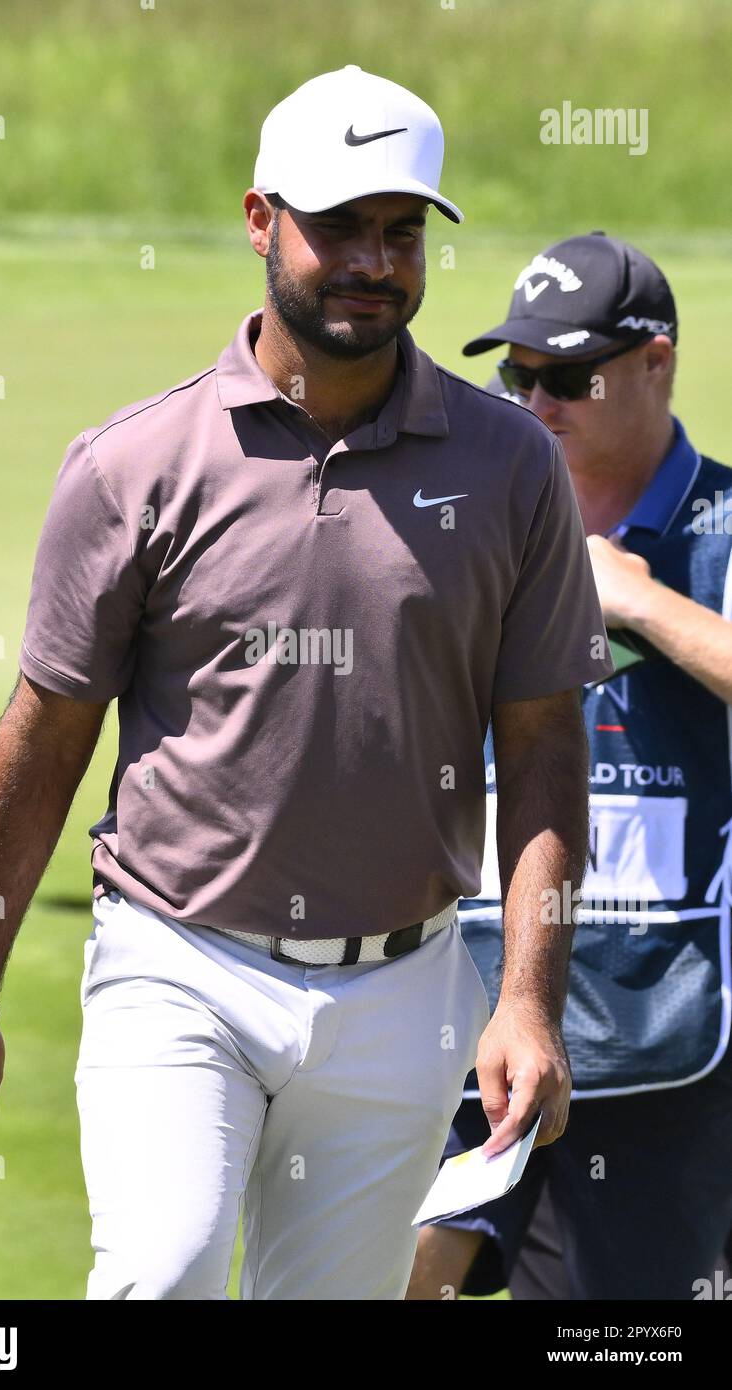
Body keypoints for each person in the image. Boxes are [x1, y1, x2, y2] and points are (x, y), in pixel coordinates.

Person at [0, 68, 614, 1301]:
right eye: (336, 227)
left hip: (405, 986)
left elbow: (547, 740)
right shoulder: (135, 465)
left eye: (399, 233)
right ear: (257, 220)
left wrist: (527, 1004)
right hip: (178, 963)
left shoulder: (509, 468)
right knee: (162, 1274)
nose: (371, 263)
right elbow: (47, 735)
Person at [408, 232, 732, 1302]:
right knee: (382, 1275)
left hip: (657, 1031)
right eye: (516, 375)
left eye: (567, 376)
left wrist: (636, 600)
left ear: (656, 362)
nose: (535, 401)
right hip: (461, 1004)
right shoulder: (478, 522)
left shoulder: (721, 529)